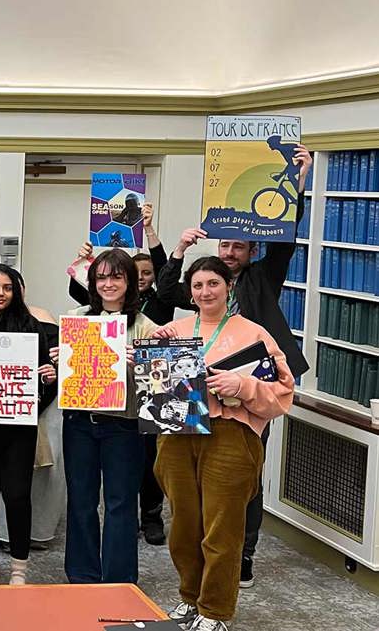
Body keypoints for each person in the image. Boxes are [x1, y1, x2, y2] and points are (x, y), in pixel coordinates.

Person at [156, 144, 311, 587]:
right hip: (197, 395)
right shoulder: (202, 284)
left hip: (251, 384)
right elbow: (168, 293)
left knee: (246, 475)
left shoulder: (262, 276)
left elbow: (285, 239)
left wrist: (296, 181)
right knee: (193, 480)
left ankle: (243, 552)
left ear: (249, 251)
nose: (229, 250)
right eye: (223, 243)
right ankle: (203, 549)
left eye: (237, 246)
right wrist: (180, 249)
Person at [152, 256, 294, 630]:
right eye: (197, 285)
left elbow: (283, 392)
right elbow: (154, 388)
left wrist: (243, 386)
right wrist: (153, 350)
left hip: (230, 435)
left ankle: (215, 610)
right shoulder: (174, 329)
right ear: (190, 292)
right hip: (178, 434)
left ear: (228, 286)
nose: (205, 291)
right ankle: (189, 599)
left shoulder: (254, 333)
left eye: (213, 283)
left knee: (222, 528)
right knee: (183, 524)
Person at [56, 249, 158, 585]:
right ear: (92, 282)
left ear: (130, 282)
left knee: (120, 504)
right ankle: (83, 577)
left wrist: (140, 366)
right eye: (101, 277)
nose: (108, 284)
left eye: (117, 277)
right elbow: (66, 380)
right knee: (81, 502)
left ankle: (118, 580)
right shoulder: (76, 317)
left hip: (123, 426)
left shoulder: (147, 328)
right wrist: (61, 360)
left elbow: (159, 390)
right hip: (80, 424)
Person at [0, 263, 57, 585]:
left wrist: (47, 378)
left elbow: (47, 377)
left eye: (6, 288)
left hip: (18, 428)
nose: (0, 293)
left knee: (18, 495)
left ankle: (20, 567)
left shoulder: (30, 326)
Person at [69, 202, 177, 326]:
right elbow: (77, 291)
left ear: (154, 276)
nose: (140, 277)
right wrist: (81, 260)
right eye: (136, 273)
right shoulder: (111, 297)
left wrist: (148, 228)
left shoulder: (163, 299)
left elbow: (162, 267)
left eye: (147, 273)